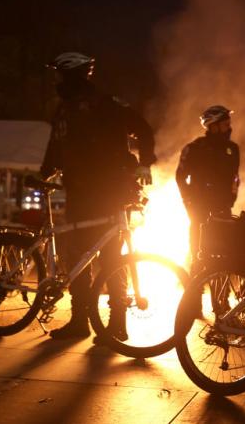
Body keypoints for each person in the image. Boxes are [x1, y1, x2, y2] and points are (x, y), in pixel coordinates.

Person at [41, 52, 157, 342]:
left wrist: (144, 163)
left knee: (111, 259)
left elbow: (142, 129)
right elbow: (56, 146)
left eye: (58, 75)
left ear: (70, 76)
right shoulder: (64, 109)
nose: (55, 81)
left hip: (108, 192)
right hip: (78, 193)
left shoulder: (105, 104)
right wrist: (44, 174)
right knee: (78, 257)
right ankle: (80, 320)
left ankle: (116, 323)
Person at [175, 105, 239, 262]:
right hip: (199, 206)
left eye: (229, 124)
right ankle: (196, 281)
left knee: (226, 252)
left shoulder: (233, 148)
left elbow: (235, 177)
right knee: (199, 251)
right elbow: (180, 176)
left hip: (223, 207)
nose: (229, 129)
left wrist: (231, 198)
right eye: (225, 125)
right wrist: (188, 200)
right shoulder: (194, 148)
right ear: (214, 127)